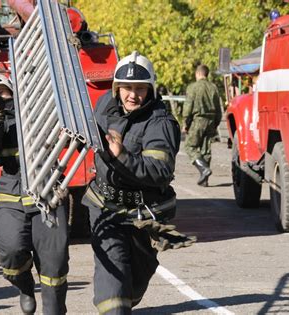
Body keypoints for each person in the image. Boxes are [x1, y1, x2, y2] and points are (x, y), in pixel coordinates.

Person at [82, 51, 195, 314]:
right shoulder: (103, 106)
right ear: (116, 88)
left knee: (133, 287)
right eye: (126, 88)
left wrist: (122, 155)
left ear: (151, 90)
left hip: (144, 218)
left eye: (140, 89)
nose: (133, 95)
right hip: (105, 210)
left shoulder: (161, 123)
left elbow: (159, 171)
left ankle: (128, 297)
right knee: (113, 292)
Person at [0, 72, 69, 315]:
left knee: (53, 263)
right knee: (11, 251)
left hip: (48, 191)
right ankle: (25, 287)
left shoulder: (34, 109)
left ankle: (54, 311)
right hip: (12, 193)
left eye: (0, 90)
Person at [182, 64, 222, 187]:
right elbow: (218, 109)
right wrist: (215, 124)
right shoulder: (213, 87)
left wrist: (186, 123)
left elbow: (188, 107)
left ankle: (203, 169)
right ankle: (204, 179)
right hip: (211, 120)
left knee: (189, 146)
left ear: (197, 74)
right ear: (207, 74)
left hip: (198, 120)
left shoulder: (193, 87)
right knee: (206, 150)